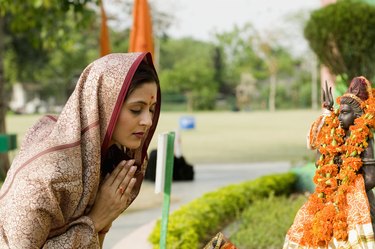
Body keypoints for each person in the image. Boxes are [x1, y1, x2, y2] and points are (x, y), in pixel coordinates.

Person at [0, 52, 161, 248]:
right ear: (104, 105)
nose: (148, 121)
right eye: (136, 109)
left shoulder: (105, 160)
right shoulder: (46, 176)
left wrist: (100, 223)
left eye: (152, 109)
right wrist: (95, 221)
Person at [284, 76, 375, 248]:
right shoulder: (336, 133)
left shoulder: (365, 137)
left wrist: (348, 189)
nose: (340, 116)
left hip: (357, 200)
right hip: (330, 195)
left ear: (358, 115)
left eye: (345, 112)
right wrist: (327, 113)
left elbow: (371, 178)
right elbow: (319, 155)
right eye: (339, 112)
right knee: (306, 226)